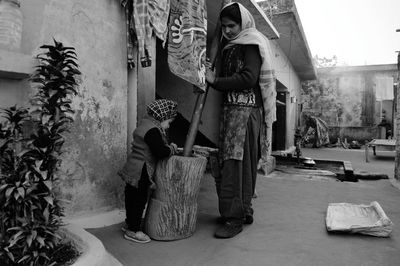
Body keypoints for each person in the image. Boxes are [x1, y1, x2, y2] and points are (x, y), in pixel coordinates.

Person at [205, 2, 276, 238]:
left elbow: (247, 78)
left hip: (245, 114)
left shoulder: (252, 43)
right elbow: (226, 83)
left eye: (231, 26)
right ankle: (243, 210)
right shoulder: (230, 46)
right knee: (233, 164)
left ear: (243, 23)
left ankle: (233, 219)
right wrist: (210, 77)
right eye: (223, 27)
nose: (227, 31)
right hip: (231, 113)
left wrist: (215, 81)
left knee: (237, 165)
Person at [118, 99, 178, 243]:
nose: (168, 126)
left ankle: (129, 223)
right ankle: (133, 230)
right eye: (169, 122)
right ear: (162, 116)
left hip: (132, 167)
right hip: (141, 170)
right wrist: (172, 148)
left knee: (131, 197)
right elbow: (160, 152)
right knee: (139, 200)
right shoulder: (152, 130)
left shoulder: (145, 124)